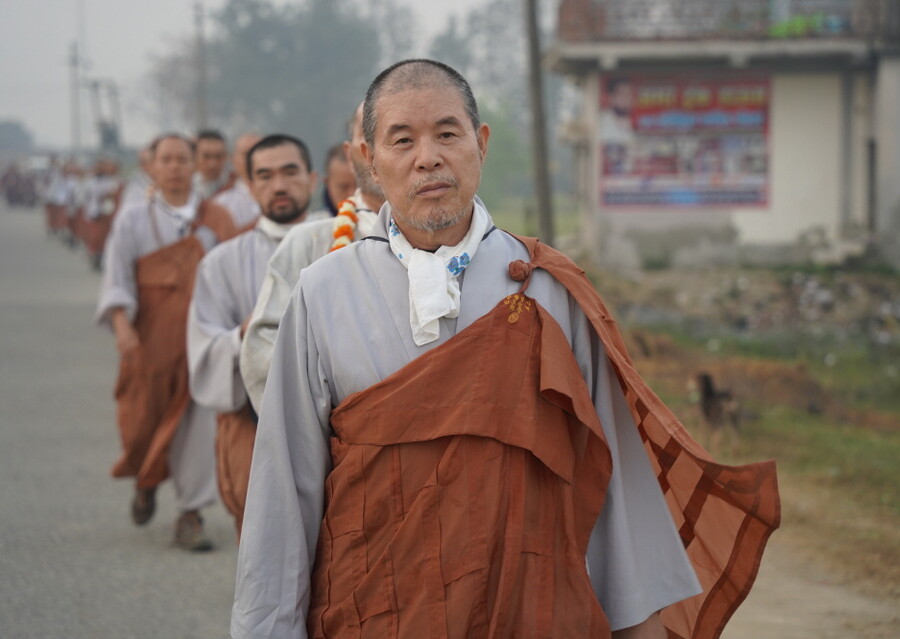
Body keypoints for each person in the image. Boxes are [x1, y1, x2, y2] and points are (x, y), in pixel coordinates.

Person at [232, 60, 779, 639]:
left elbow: (610, 471)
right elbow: (285, 484)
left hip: (529, 609)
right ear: (368, 159)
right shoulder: (324, 291)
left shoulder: (547, 287)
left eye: (447, 133)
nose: (429, 157)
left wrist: (637, 625)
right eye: (402, 139)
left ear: (481, 143)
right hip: (377, 608)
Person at [95, 133, 238, 552]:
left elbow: (231, 279)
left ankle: (190, 514)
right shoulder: (133, 219)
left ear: (194, 165)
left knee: (196, 427)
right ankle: (147, 479)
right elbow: (116, 278)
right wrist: (122, 327)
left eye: (182, 159)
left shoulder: (218, 218)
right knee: (141, 426)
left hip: (202, 341)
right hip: (150, 342)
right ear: (152, 167)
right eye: (166, 159)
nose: (175, 166)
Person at [187, 134, 319, 535]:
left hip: (337, 428)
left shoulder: (347, 245)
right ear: (248, 185)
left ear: (312, 180)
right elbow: (204, 349)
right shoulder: (221, 263)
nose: (278, 185)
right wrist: (245, 333)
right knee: (262, 546)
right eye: (264, 175)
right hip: (253, 424)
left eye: (290, 172)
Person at [239, 102, 384, 413]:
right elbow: (262, 353)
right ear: (351, 152)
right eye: (367, 133)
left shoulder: (466, 243)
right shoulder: (307, 242)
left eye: (397, 134)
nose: (378, 145)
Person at [214, 132, 263, 229]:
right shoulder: (221, 204)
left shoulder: (284, 193)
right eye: (246, 154)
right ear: (233, 159)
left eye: (258, 152)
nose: (252, 158)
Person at [318, 143, 356, 216]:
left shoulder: (382, 223)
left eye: (359, 186)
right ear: (327, 183)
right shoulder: (314, 226)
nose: (352, 195)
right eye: (343, 187)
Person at [193, 129, 231, 199]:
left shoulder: (235, 186)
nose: (212, 164)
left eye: (218, 156)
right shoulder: (188, 187)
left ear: (226, 157)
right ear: (195, 156)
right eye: (206, 156)